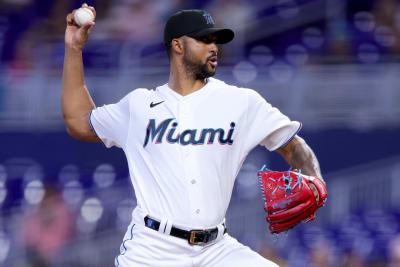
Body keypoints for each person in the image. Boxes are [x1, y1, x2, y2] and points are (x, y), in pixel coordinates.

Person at [62, 4, 325, 267]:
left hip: (216, 249)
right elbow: (78, 122)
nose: (214, 47)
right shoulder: (138, 107)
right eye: (204, 39)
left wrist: (313, 177)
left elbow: (293, 145)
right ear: (177, 45)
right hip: (152, 249)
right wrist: (74, 50)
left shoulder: (241, 102)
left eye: (215, 41)